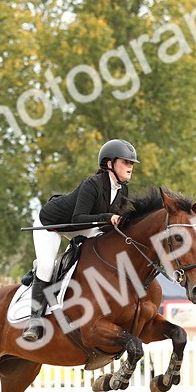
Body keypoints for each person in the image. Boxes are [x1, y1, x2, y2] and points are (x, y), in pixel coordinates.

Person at [23, 139, 138, 340]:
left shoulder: (123, 190)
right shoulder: (92, 184)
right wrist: (107, 218)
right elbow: (78, 218)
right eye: (125, 162)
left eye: (131, 163)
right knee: (47, 266)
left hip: (83, 228)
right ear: (109, 164)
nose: (130, 167)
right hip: (51, 224)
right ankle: (34, 321)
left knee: (98, 253)